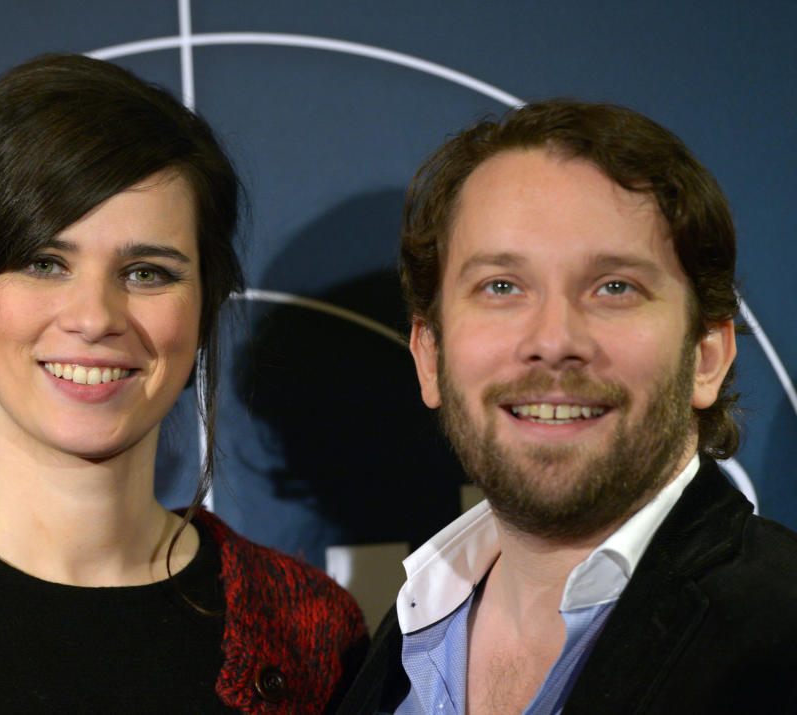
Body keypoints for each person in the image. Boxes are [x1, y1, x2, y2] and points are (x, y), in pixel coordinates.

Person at [0, 54, 366, 714]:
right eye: (45, 262)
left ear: (204, 307)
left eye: (147, 272)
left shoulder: (313, 633)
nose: (93, 318)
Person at [340, 100, 797, 714]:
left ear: (707, 357)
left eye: (615, 287)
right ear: (430, 357)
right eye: (501, 287)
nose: (553, 341)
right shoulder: (400, 640)